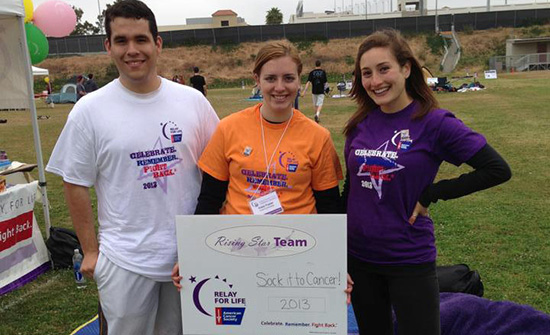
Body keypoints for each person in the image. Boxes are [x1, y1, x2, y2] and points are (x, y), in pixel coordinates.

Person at [45, 1, 219, 335]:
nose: (132, 50)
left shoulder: (192, 102)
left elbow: (217, 172)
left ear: (158, 43)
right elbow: (74, 182)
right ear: (108, 46)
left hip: (188, 259)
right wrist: (92, 251)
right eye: (122, 41)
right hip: (125, 260)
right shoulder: (88, 110)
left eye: (141, 39)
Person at [342, 29, 511, 335]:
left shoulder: (435, 122)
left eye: (384, 69)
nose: (375, 81)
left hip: (408, 258)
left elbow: (496, 169)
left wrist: (432, 193)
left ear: (406, 69)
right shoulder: (359, 125)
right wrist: (336, 254)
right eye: (366, 73)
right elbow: (350, 191)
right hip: (360, 259)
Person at [172, 41, 352, 301]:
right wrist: (192, 256)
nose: (280, 87)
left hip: (298, 255)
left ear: (299, 80)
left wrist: (337, 265)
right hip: (236, 251)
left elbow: (329, 207)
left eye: (288, 78)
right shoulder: (229, 128)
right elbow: (210, 198)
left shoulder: (318, 136)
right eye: (271, 78)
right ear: (257, 79)